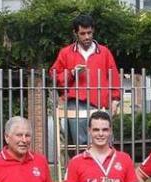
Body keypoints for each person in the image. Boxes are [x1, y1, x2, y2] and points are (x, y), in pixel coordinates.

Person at [49, 14, 122, 146]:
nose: (87, 37)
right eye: (82, 33)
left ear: (93, 30)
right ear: (75, 33)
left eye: (89, 32)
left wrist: (115, 100)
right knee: (80, 144)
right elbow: (54, 75)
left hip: (101, 104)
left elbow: (114, 77)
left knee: (104, 141)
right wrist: (71, 73)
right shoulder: (66, 53)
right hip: (75, 102)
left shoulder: (104, 52)